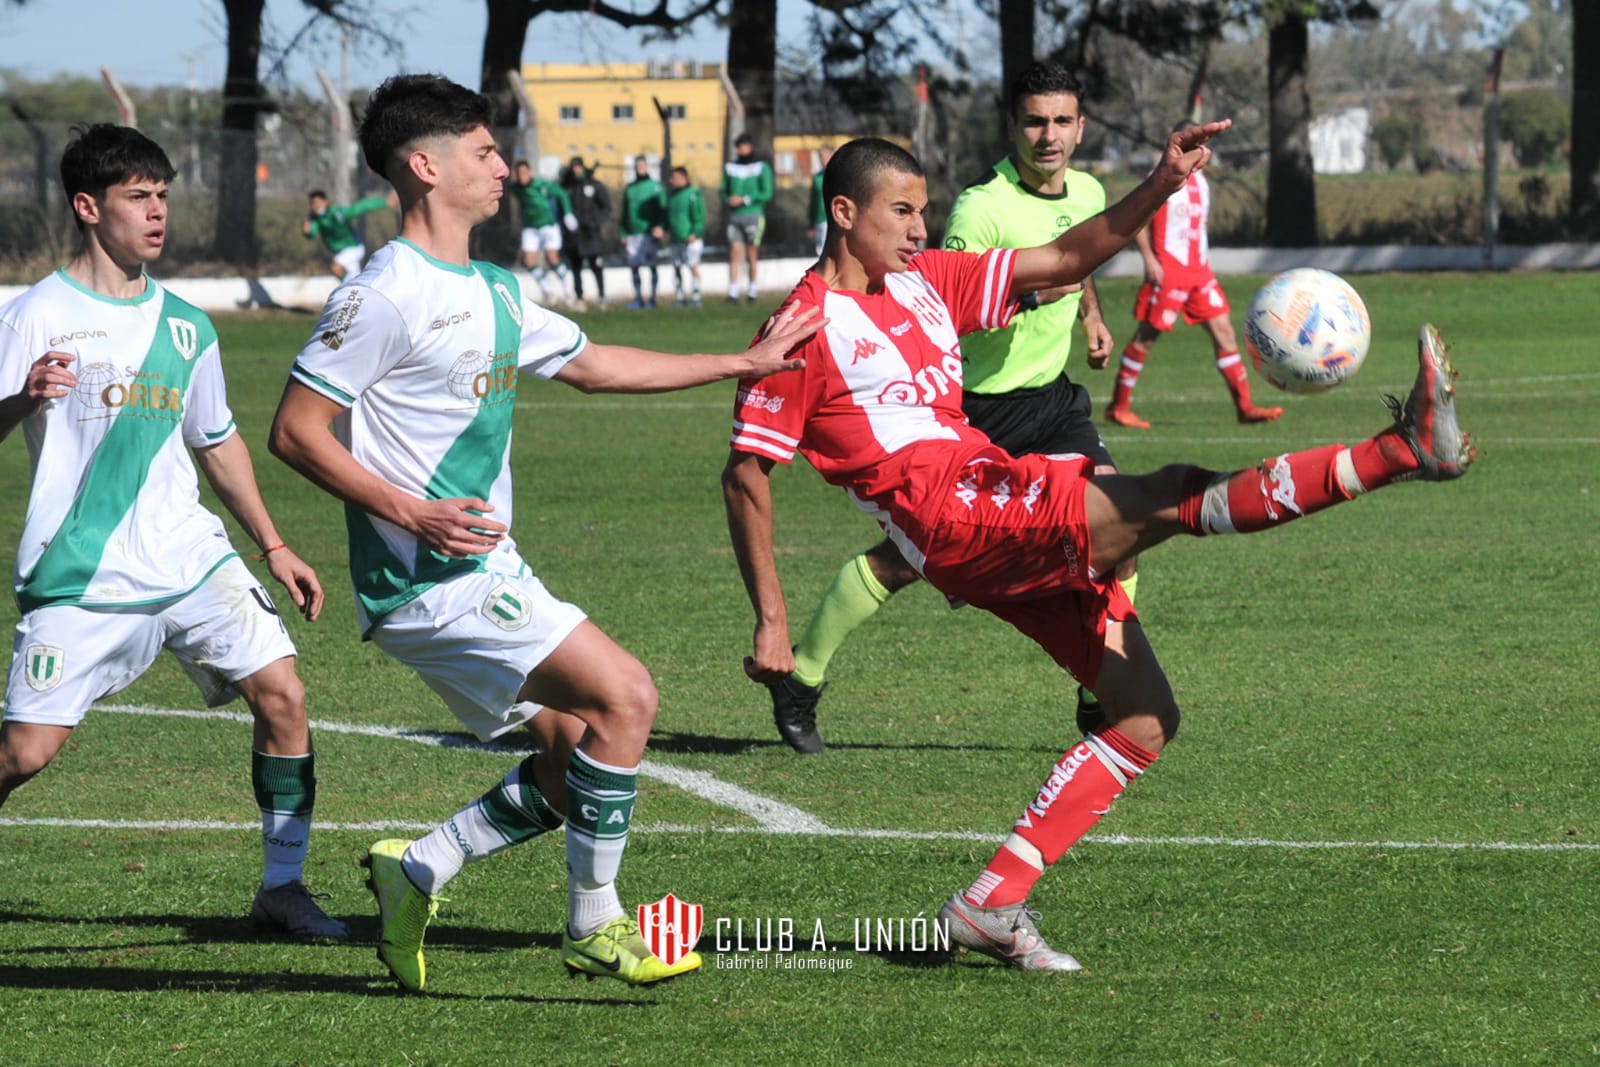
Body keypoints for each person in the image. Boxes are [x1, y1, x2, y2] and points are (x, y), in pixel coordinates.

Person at [722, 132, 1474, 972]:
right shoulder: (801, 325)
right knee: (1174, 493)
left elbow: (1072, 252)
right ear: (844, 212)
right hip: (952, 514)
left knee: (1145, 716)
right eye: (903, 211)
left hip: (990, 500)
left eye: (925, 210)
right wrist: (772, 623)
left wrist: (1163, 179)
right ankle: (1405, 452)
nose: (921, 228)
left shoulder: (928, 282)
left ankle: (989, 903)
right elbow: (747, 473)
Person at [268, 74, 819, 991]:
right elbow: (294, 430)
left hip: (482, 564)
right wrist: (411, 511)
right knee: (630, 696)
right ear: (424, 164)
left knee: (576, 753)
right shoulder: (385, 294)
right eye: (482, 152)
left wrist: (742, 359)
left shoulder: (492, 287)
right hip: (429, 577)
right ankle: (594, 925)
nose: (502, 166)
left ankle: (422, 866)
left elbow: (596, 365)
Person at [0, 124, 346, 940]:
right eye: (137, 197)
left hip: (191, 560)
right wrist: (22, 399)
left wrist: (273, 543)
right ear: (89, 207)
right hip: (83, 570)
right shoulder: (36, 314)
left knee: (284, 694)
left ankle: (282, 886)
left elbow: (216, 441)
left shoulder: (188, 326)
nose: (157, 213)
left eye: (163, 195)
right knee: (24, 754)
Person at [762, 63, 1128, 755]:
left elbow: (1072, 259)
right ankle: (801, 674)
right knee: (906, 562)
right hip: (977, 410)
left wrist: (1090, 315)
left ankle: (1097, 696)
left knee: (1115, 526)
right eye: (1033, 120)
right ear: (1012, 125)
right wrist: (1034, 292)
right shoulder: (978, 209)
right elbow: (938, 307)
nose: (1047, 136)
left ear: (1081, 127)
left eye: (1061, 121)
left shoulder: (1089, 191)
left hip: (1052, 399)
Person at [1104, 122, 1282, 428]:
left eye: (1205, 143)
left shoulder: (1202, 182)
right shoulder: (1159, 179)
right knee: (1146, 337)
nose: (1203, 149)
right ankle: (1119, 407)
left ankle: (1245, 407)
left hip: (1200, 272)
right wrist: (1150, 260)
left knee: (1225, 333)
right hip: (1169, 269)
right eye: (1197, 142)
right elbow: (1138, 222)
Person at [507, 159, 577, 304]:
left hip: (548, 225)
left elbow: (562, 194)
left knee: (552, 258)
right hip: (531, 228)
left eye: (524, 172)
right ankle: (548, 291)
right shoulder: (516, 188)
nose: (522, 176)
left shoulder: (542, 185)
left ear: (530, 172)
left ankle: (569, 292)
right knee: (529, 261)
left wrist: (568, 213)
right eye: (519, 173)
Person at [721, 132, 773, 304]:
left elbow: (767, 192)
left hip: (753, 214)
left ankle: (752, 289)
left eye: (742, 145)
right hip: (735, 216)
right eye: (738, 146)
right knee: (735, 252)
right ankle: (733, 291)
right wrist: (729, 199)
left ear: (749, 146)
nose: (740, 149)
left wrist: (745, 199)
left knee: (752, 253)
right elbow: (723, 190)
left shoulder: (761, 166)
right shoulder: (730, 167)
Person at [304, 187, 395, 279]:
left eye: (316, 203)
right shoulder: (315, 218)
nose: (314, 207)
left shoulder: (337, 213)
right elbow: (312, 232)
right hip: (341, 251)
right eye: (312, 204)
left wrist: (385, 202)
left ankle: (345, 290)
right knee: (354, 279)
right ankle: (354, 290)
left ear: (325, 202)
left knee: (336, 267)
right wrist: (307, 231)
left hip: (354, 247)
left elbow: (362, 206)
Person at [560, 156, 611, 306]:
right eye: (573, 167)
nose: (576, 170)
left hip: (591, 233)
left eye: (578, 167)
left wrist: (596, 222)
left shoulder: (594, 185)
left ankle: (602, 296)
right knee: (576, 267)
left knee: (596, 265)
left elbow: (606, 207)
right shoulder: (568, 187)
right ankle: (579, 297)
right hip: (574, 235)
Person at [620, 156, 667, 310]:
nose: (640, 168)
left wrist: (660, 227)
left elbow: (663, 210)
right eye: (637, 166)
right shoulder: (630, 188)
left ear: (647, 167)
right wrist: (623, 232)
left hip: (649, 233)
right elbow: (625, 213)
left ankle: (653, 298)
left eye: (643, 166)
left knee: (652, 265)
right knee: (634, 265)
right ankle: (638, 297)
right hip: (633, 233)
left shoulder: (656, 187)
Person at [665, 165, 706, 306]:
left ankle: (696, 296)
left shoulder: (693, 194)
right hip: (676, 238)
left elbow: (699, 216)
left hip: (691, 239)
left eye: (675, 178)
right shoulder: (672, 196)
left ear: (684, 178)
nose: (672, 181)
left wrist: (695, 232)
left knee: (692, 265)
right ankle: (680, 296)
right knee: (676, 267)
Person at [806, 146, 834, 258]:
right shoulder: (817, 177)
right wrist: (811, 224)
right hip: (820, 218)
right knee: (821, 252)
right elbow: (813, 201)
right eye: (820, 156)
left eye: (824, 156)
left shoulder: (839, 176)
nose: (821, 159)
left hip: (834, 219)